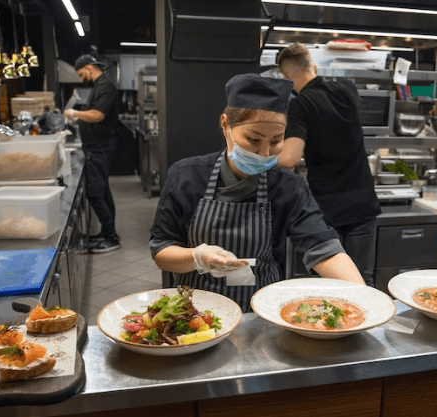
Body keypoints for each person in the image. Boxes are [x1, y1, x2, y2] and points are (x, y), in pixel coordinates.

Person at [149, 73, 365, 312]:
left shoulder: (288, 187)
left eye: (276, 141)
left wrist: (364, 299)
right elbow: (161, 250)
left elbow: (323, 249)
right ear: (225, 125)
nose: (264, 153)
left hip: (262, 313)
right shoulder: (186, 176)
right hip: (195, 315)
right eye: (253, 139)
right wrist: (197, 257)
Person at [276, 42, 381, 287]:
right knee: (362, 282)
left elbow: (290, 158)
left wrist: (260, 152)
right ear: (313, 65)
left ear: (287, 77)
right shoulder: (348, 89)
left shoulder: (300, 104)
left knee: (330, 286)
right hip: (363, 205)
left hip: (329, 209)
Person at [64, 54, 120, 253]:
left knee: (95, 193)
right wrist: (79, 120)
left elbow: (98, 115)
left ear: (88, 68)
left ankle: (111, 237)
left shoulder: (106, 86)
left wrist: (74, 114)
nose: (81, 79)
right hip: (96, 146)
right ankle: (107, 232)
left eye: (81, 74)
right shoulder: (99, 86)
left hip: (100, 147)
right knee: (102, 191)